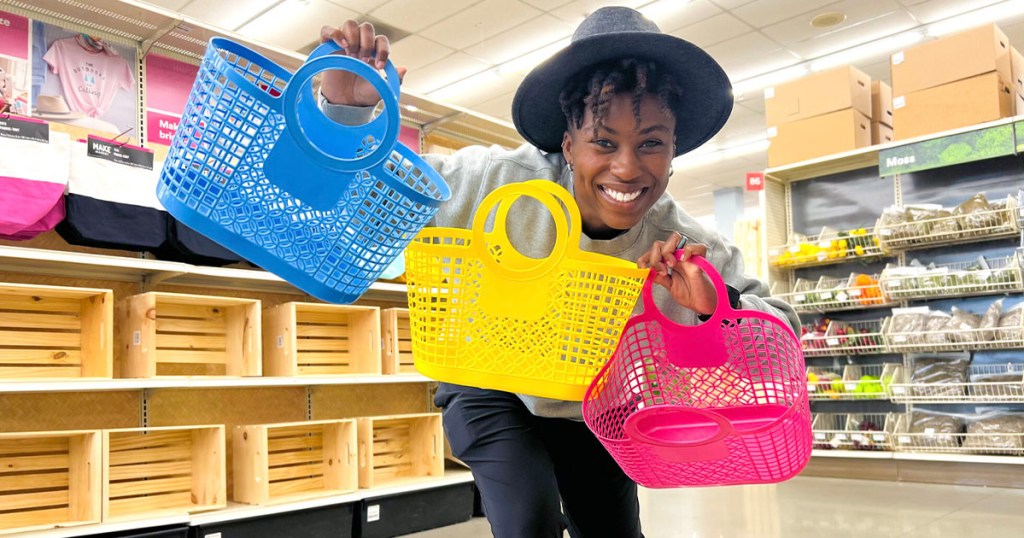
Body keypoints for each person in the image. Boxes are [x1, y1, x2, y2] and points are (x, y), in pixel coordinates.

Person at [319, 7, 799, 538]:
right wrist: (349, 116)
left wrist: (719, 303)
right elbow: (365, 203)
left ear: (673, 151)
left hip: (591, 403)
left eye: (651, 143)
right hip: (488, 386)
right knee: (530, 521)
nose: (626, 167)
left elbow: (783, 342)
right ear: (568, 145)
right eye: (603, 141)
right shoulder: (495, 184)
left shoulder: (684, 245)